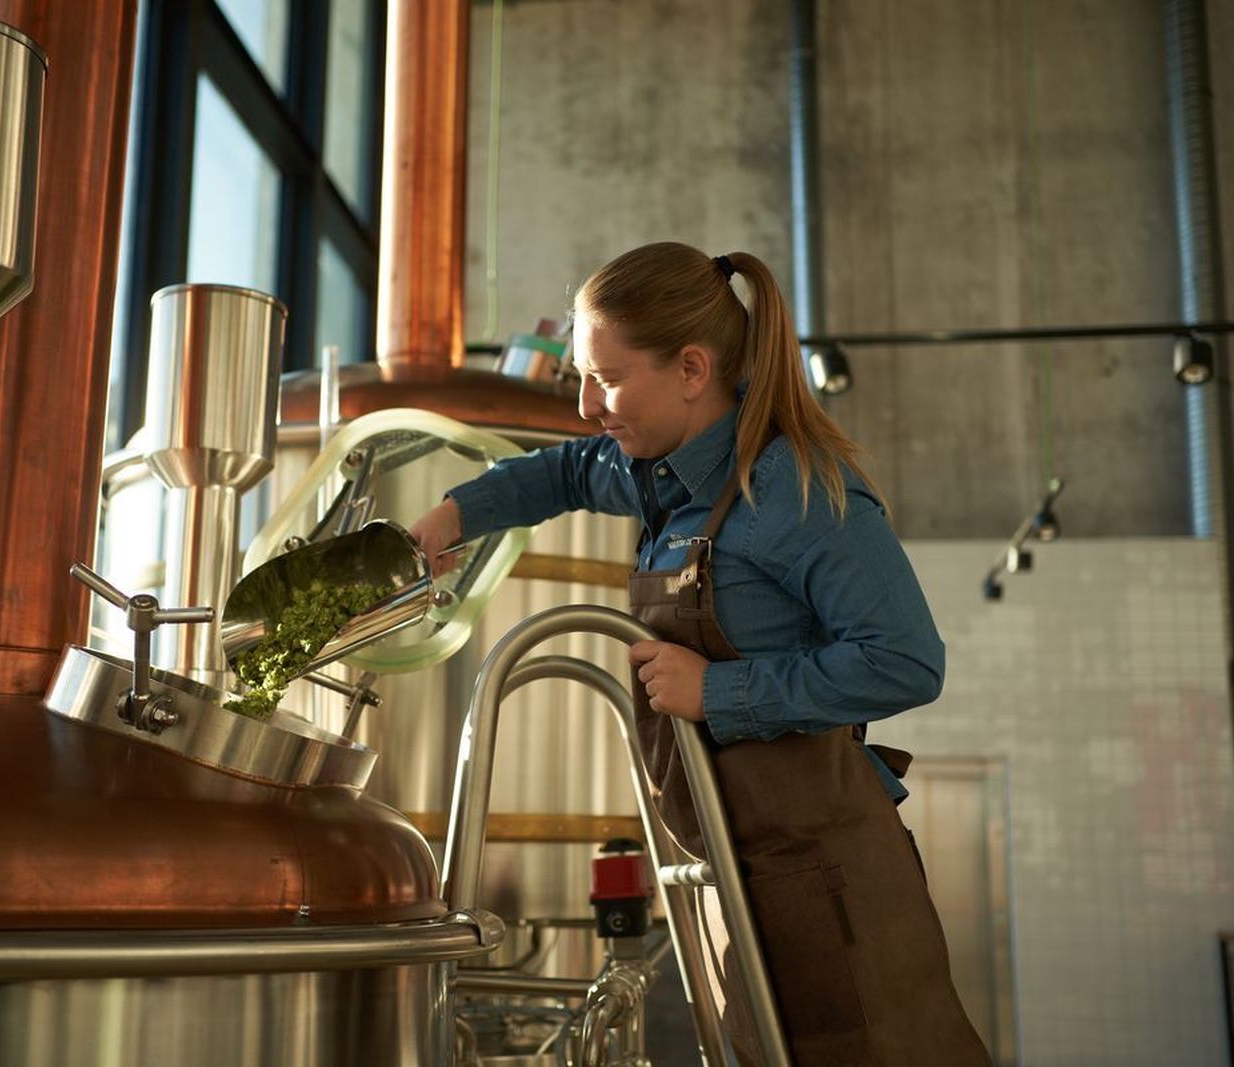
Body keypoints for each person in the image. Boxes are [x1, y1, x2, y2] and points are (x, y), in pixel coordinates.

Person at [409, 241, 989, 1067]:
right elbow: (571, 471)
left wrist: (722, 691)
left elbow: (905, 660)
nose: (585, 404)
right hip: (729, 869)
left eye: (606, 378)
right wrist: (453, 516)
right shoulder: (657, 474)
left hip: (828, 882)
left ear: (690, 368)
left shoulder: (790, 487)